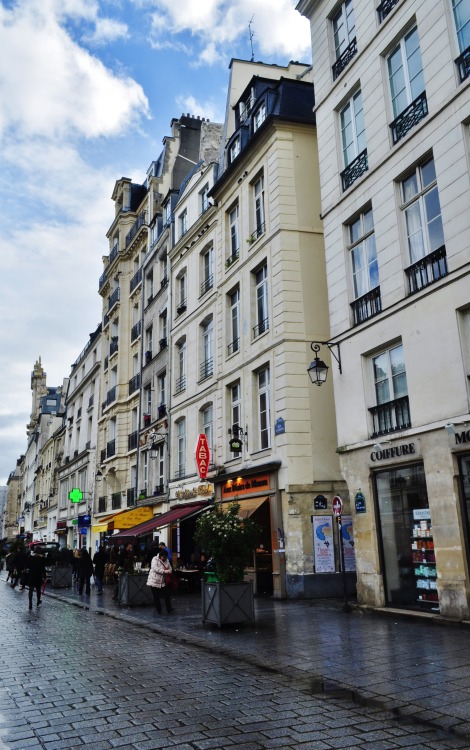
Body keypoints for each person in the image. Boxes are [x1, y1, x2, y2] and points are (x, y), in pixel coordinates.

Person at [146, 550, 174, 614]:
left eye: (165, 557)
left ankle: (169, 609)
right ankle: (158, 610)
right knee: (156, 596)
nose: (164, 559)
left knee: (167, 595)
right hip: (154, 581)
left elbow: (170, 569)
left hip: (162, 581)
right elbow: (155, 568)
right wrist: (165, 571)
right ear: (160, 556)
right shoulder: (155, 559)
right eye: (163, 557)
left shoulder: (167, 560)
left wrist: (167, 571)